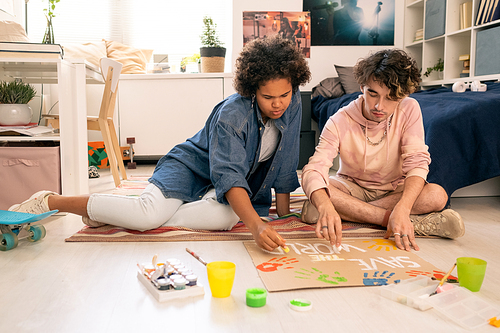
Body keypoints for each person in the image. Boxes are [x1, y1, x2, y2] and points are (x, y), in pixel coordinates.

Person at [9, 35, 311, 252]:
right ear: (251, 89)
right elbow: (230, 175)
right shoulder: (232, 115)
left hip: (216, 183)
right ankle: (51, 200)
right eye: (267, 97)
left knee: (226, 217)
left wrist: (282, 216)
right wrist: (257, 227)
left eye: (284, 95)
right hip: (190, 166)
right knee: (147, 216)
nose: (278, 104)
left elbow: (284, 160)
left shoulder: (292, 101)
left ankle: (114, 213)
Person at [300, 48, 465, 252]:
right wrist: (325, 204)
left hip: (395, 189)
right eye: (373, 94)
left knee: (437, 195)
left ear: (403, 95)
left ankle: (358, 214)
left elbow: (417, 163)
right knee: (324, 191)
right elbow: (314, 169)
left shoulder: (410, 108)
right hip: (352, 187)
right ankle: (396, 221)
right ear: (362, 87)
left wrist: (403, 207)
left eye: (391, 97)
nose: (379, 106)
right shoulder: (339, 120)